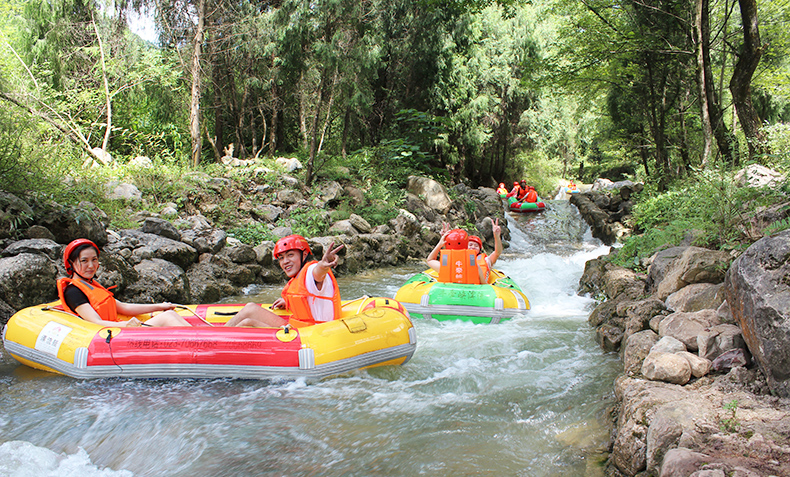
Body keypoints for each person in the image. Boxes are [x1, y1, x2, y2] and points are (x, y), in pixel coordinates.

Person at [57, 239, 192, 327]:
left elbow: (124, 307)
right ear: (71, 263)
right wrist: (127, 324)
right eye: (84, 261)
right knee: (167, 318)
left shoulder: (92, 285)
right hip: (114, 335)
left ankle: (205, 343)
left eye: (94, 260)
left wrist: (160, 306)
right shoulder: (73, 291)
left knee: (171, 314)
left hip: (120, 329)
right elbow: (95, 322)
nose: (91, 266)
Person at [225, 235, 345, 328]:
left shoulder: (310, 271)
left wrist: (323, 266)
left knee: (249, 315)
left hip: (313, 336)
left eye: (290, 255)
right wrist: (287, 301)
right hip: (300, 331)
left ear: (304, 254)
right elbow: (306, 296)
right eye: (281, 258)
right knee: (248, 317)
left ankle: (215, 341)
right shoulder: (298, 278)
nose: (285, 261)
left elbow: (317, 273)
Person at [467, 218, 503, 284]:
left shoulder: (486, 260)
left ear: (480, 250)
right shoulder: (460, 259)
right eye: (470, 244)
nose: (473, 247)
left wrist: (496, 236)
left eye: (476, 246)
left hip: (481, 289)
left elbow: (497, 252)